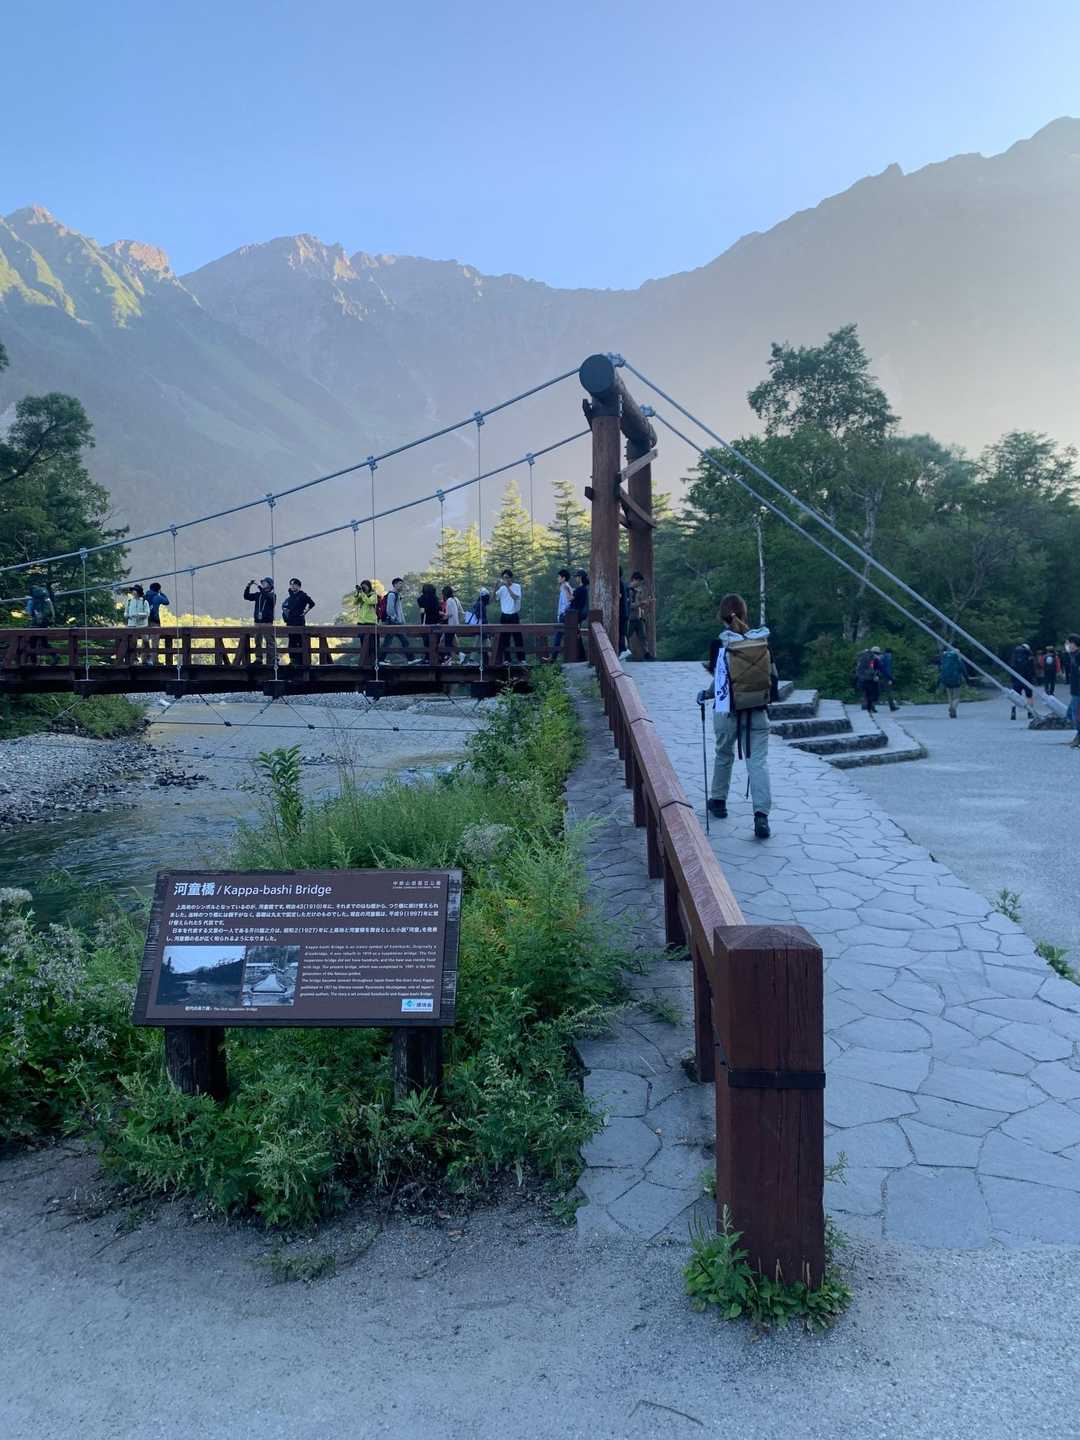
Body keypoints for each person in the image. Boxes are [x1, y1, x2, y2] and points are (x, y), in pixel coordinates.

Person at [696, 592, 774, 839]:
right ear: (744, 612)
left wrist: (706, 694)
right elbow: (773, 678)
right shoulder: (760, 641)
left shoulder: (720, 644)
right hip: (757, 712)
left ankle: (718, 801)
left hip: (727, 712)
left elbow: (720, 679)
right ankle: (761, 816)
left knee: (723, 754)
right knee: (757, 763)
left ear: (722, 616)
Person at [243, 576, 276, 665]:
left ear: (270, 585)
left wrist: (258, 586)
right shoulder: (258, 595)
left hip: (267, 622)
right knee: (257, 641)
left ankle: (272, 659)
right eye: (262, 583)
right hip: (257, 622)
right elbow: (246, 596)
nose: (263, 584)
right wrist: (248, 586)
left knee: (270, 641)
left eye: (265, 582)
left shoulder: (272, 595)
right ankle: (258, 658)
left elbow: (267, 597)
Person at [495, 568, 524, 665]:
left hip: (514, 615)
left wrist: (507, 587)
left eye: (507, 577)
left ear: (511, 578)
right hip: (504, 615)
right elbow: (494, 599)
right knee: (505, 638)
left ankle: (521, 659)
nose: (505, 580)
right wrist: (495, 587)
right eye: (504, 578)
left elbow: (515, 597)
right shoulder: (502, 589)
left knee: (517, 637)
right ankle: (507, 659)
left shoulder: (517, 586)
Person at [281, 577, 314, 665]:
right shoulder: (290, 596)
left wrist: (305, 612)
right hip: (290, 622)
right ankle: (292, 660)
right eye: (291, 584)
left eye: (294, 584)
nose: (292, 586)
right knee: (291, 641)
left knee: (299, 641)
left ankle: (301, 661)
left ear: (299, 586)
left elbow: (312, 603)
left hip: (299, 621)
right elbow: (285, 607)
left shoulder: (303, 595)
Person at [379, 577, 410, 660]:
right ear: (395, 585)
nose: (402, 585)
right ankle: (411, 659)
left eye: (402, 584)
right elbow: (390, 610)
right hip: (393, 622)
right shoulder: (392, 595)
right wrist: (395, 619)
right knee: (403, 641)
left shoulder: (397, 595)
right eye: (400, 584)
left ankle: (381, 660)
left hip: (395, 622)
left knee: (390, 642)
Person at [24, 582, 56, 665]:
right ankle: (55, 656)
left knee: (32, 643)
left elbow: (29, 613)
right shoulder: (46, 598)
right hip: (45, 623)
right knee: (44, 642)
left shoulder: (32, 601)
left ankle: (33, 663)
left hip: (36, 624)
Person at [627, 570, 654, 661]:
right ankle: (624, 653)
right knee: (627, 635)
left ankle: (647, 654)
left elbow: (638, 603)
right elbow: (629, 605)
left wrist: (644, 604)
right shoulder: (627, 590)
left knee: (643, 637)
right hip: (630, 618)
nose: (639, 584)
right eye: (638, 582)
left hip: (638, 617)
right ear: (634, 580)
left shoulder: (638, 591)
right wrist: (641, 603)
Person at [143, 581, 170, 665]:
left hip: (144, 621)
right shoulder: (157, 597)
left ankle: (144, 660)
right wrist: (161, 593)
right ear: (158, 589)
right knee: (155, 641)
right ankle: (154, 660)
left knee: (145, 641)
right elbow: (167, 602)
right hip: (155, 621)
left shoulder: (144, 597)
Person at [124, 584, 151, 664]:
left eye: (134, 590)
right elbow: (125, 612)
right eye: (132, 590)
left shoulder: (144, 601)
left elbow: (147, 613)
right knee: (133, 642)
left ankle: (148, 658)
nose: (133, 592)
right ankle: (134, 659)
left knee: (145, 641)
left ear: (138, 592)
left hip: (142, 625)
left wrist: (139, 615)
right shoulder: (129, 601)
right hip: (132, 624)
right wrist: (127, 615)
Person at [1009, 641, 1035, 721]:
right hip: (1027, 679)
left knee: (1015, 696)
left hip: (1017, 679)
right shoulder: (1029, 655)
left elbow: (1012, 667)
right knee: (1029, 696)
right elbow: (1032, 668)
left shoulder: (1015, 655)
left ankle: (1013, 712)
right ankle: (1030, 713)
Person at [551, 568, 574, 656]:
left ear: (563, 578)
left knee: (558, 636)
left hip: (564, 615)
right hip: (564, 614)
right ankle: (554, 657)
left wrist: (563, 613)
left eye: (559, 577)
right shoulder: (565, 586)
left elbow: (569, 600)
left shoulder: (565, 587)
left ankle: (553, 657)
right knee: (562, 635)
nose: (557, 578)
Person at [939, 645, 965, 719]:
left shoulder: (944, 657)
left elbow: (941, 668)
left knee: (950, 696)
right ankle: (953, 708)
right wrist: (966, 677)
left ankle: (951, 708)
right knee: (957, 697)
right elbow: (962, 668)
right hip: (956, 679)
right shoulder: (957, 658)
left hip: (946, 679)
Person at [440, 585, 464, 663]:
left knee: (447, 642)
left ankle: (448, 658)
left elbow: (449, 614)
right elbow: (459, 611)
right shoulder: (455, 599)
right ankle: (458, 655)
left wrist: (441, 616)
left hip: (450, 624)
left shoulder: (449, 600)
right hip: (455, 623)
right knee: (449, 641)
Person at [856, 646, 882, 714]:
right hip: (870, 678)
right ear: (875, 653)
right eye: (878, 653)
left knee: (865, 693)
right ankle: (870, 708)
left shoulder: (863, 656)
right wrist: (875, 675)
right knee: (872, 693)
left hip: (861, 678)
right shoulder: (872, 659)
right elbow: (872, 668)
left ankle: (865, 707)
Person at [1066, 634, 1080, 747]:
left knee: (1075, 715)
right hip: (1075, 690)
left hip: (1078, 690)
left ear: (1074, 644)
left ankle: (1078, 737)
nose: (1068, 645)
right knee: (1070, 714)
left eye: (1069, 643)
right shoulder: (1074, 655)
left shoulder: (1078, 656)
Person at [878, 646, 899, 711]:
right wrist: (891, 677)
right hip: (885, 677)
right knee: (889, 692)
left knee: (877, 691)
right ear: (890, 653)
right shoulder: (888, 658)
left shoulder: (881, 657)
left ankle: (870, 706)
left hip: (879, 676)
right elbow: (887, 669)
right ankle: (892, 707)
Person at [618, 568, 631, 660]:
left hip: (621, 612)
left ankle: (624, 649)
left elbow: (619, 596)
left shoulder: (619, 583)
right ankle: (623, 650)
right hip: (624, 611)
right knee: (622, 632)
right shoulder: (622, 583)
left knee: (621, 632)